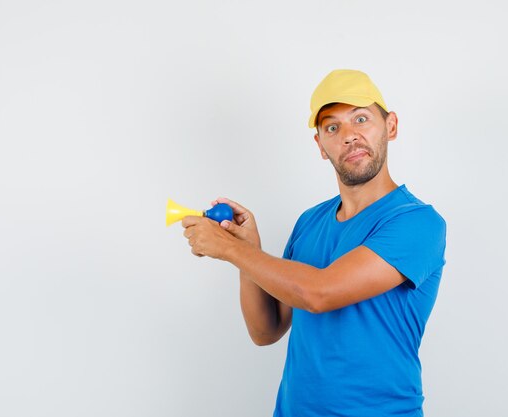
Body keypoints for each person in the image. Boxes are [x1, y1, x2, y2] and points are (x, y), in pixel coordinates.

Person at [181, 69, 447, 417]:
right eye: (332, 127)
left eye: (361, 119)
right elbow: (266, 330)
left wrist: (231, 249)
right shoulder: (310, 222)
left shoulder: (418, 223)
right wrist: (245, 249)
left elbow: (319, 293)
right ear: (321, 145)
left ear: (391, 126)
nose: (349, 136)